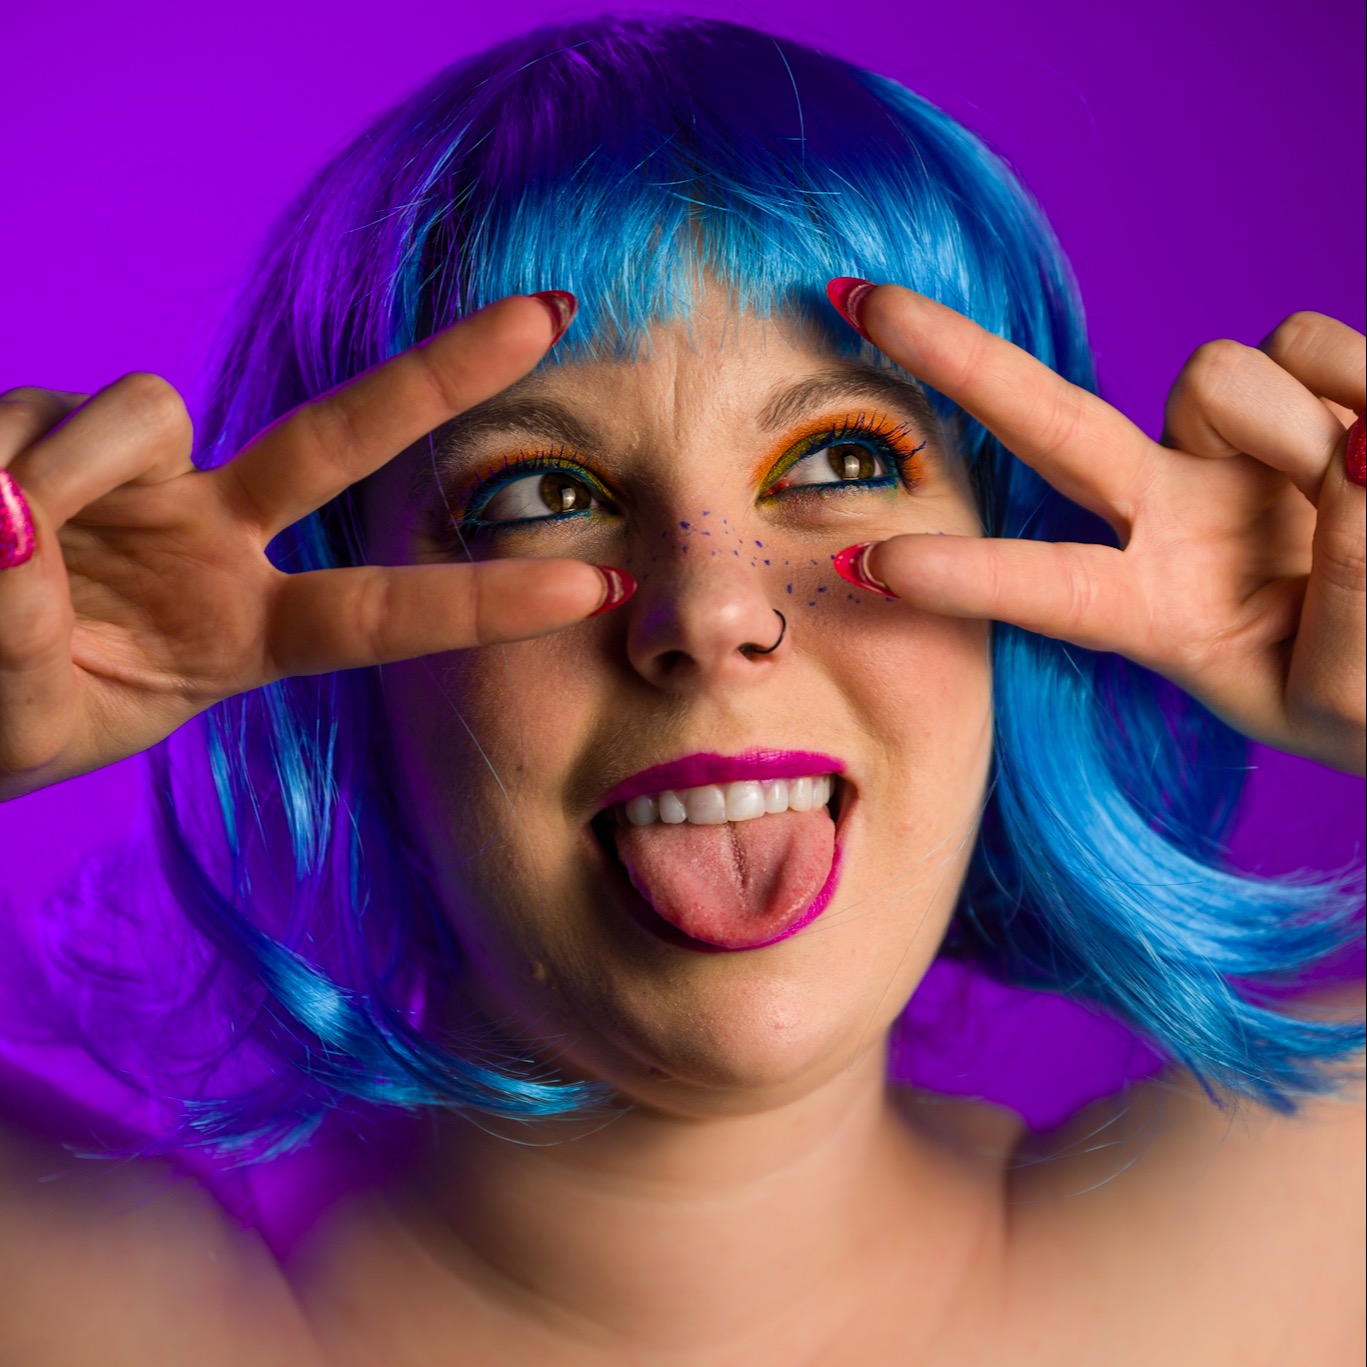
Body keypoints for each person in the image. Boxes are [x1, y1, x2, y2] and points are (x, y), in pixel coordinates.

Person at [0, 14, 1362, 1364]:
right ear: (339, 671)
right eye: (540, 494)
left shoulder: (1306, 1241)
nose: (712, 611)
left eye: (840, 463)